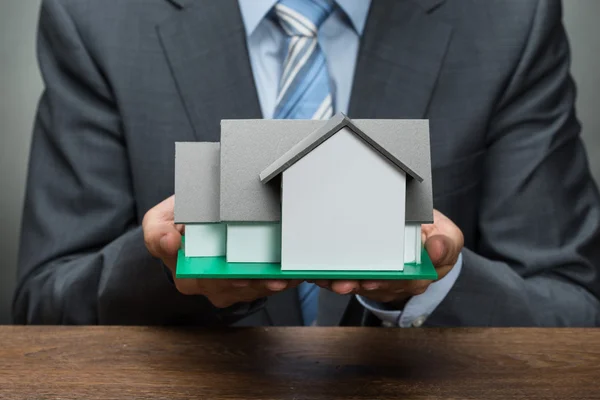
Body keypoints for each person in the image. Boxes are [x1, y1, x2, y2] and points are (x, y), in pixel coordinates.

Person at [13, 0, 600, 326]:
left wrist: (439, 284)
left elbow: (575, 309)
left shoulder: (509, 20)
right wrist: (166, 271)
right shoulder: (96, 18)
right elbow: (45, 305)